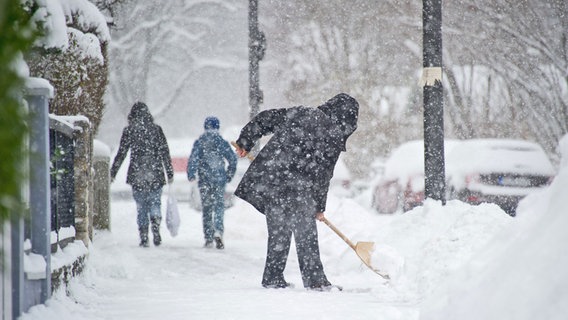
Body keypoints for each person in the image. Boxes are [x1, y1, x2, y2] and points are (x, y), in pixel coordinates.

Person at [232, 93, 359, 290]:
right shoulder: (334, 134)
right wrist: (319, 207)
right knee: (306, 234)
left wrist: (245, 141)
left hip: (271, 181)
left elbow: (265, 118)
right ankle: (315, 281)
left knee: (279, 232)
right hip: (299, 188)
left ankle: (273, 278)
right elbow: (323, 176)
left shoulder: (301, 113)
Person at [110, 102, 174, 247]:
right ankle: (156, 226)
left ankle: (144, 235)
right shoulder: (156, 130)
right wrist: (169, 172)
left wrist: (113, 172)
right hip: (155, 173)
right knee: (155, 202)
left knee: (141, 206)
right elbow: (165, 151)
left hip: (137, 174)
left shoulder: (129, 130)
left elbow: (122, 153)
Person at [187, 116, 237, 249]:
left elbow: (193, 159)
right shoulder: (221, 141)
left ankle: (208, 237)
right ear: (217, 127)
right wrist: (229, 174)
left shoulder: (200, 142)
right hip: (219, 179)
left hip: (204, 180)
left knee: (207, 208)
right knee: (219, 206)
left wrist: (191, 174)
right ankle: (218, 231)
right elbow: (232, 159)